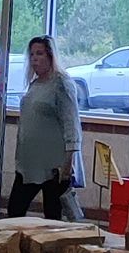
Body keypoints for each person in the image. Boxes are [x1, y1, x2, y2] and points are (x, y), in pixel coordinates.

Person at [7, 35, 80, 219]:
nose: (34, 59)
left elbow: (71, 122)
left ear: (50, 56)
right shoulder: (35, 84)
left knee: (53, 216)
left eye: (39, 54)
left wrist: (69, 160)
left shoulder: (61, 83)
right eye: (31, 54)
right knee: (15, 209)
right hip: (30, 163)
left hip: (55, 165)